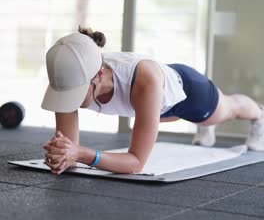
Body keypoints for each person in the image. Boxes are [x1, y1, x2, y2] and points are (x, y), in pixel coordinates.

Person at [42, 26, 264, 175]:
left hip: (190, 93)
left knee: (228, 109)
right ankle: (204, 125)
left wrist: (82, 154)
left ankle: (259, 115)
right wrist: (63, 155)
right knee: (154, 116)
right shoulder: (69, 77)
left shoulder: (143, 80)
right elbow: (68, 149)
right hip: (150, 103)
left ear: (99, 75)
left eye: (77, 92)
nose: (70, 100)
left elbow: (136, 163)